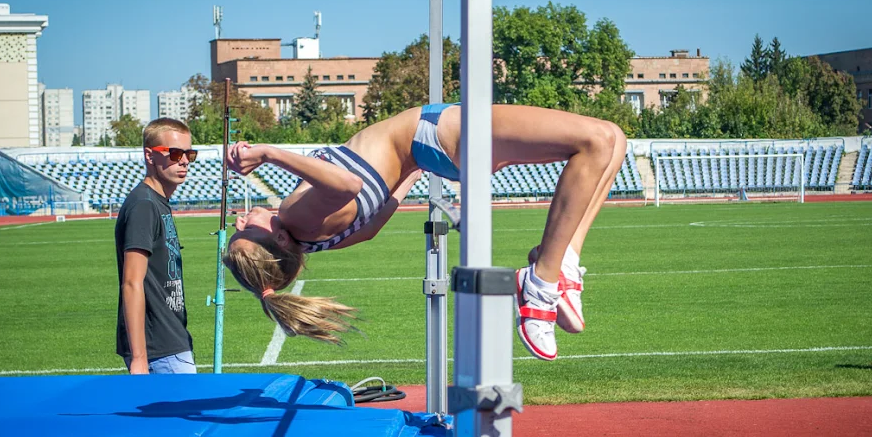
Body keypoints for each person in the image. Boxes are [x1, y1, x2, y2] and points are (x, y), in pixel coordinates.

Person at [224, 103, 626, 361]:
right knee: (596, 140)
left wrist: (411, 168)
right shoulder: (295, 215)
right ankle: (538, 284)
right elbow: (347, 185)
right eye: (246, 230)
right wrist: (268, 153)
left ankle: (565, 265)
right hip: (433, 132)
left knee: (613, 138)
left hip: (429, 149)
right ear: (276, 240)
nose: (241, 220)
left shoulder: (316, 238)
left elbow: (371, 228)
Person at [114, 118, 197, 374]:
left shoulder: (158, 202)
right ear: (150, 156)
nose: (184, 160)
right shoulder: (144, 205)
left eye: (189, 154)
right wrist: (139, 357)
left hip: (171, 339)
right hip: (159, 349)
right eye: (174, 153)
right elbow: (131, 282)